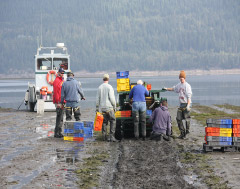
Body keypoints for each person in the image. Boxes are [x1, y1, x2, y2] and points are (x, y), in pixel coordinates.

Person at [163, 70, 192, 139]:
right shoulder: (179, 85)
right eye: (180, 78)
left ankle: (187, 132)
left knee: (187, 119)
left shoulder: (187, 86)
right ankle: (182, 133)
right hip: (181, 104)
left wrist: (188, 105)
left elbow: (189, 96)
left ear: (184, 78)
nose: (181, 79)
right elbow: (174, 89)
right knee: (178, 118)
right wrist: (166, 89)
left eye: (182, 78)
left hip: (186, 104)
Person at [96, 74, 117, 142]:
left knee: (104, 122)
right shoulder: (109, 87)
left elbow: (97, 99)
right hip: (109, 108)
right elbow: (112, 98)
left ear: (103, 79)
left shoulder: (99, 87)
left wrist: (97, 108)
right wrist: (114, 106)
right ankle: (112, 136)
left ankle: (104, 137)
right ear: (108, 79)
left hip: (102, 109)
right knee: (113, 120)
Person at [53, 68, 65, 138]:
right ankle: (57, 132)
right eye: (61, 73)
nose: (62, 74)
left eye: (63, 73)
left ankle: (59, 132)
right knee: (59, 117)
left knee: (61, 117)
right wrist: (58, 102)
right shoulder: (57, 81)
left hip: (61, 101)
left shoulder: (61, 80)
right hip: (59, 102)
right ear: (58, 73)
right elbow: (57, 93)